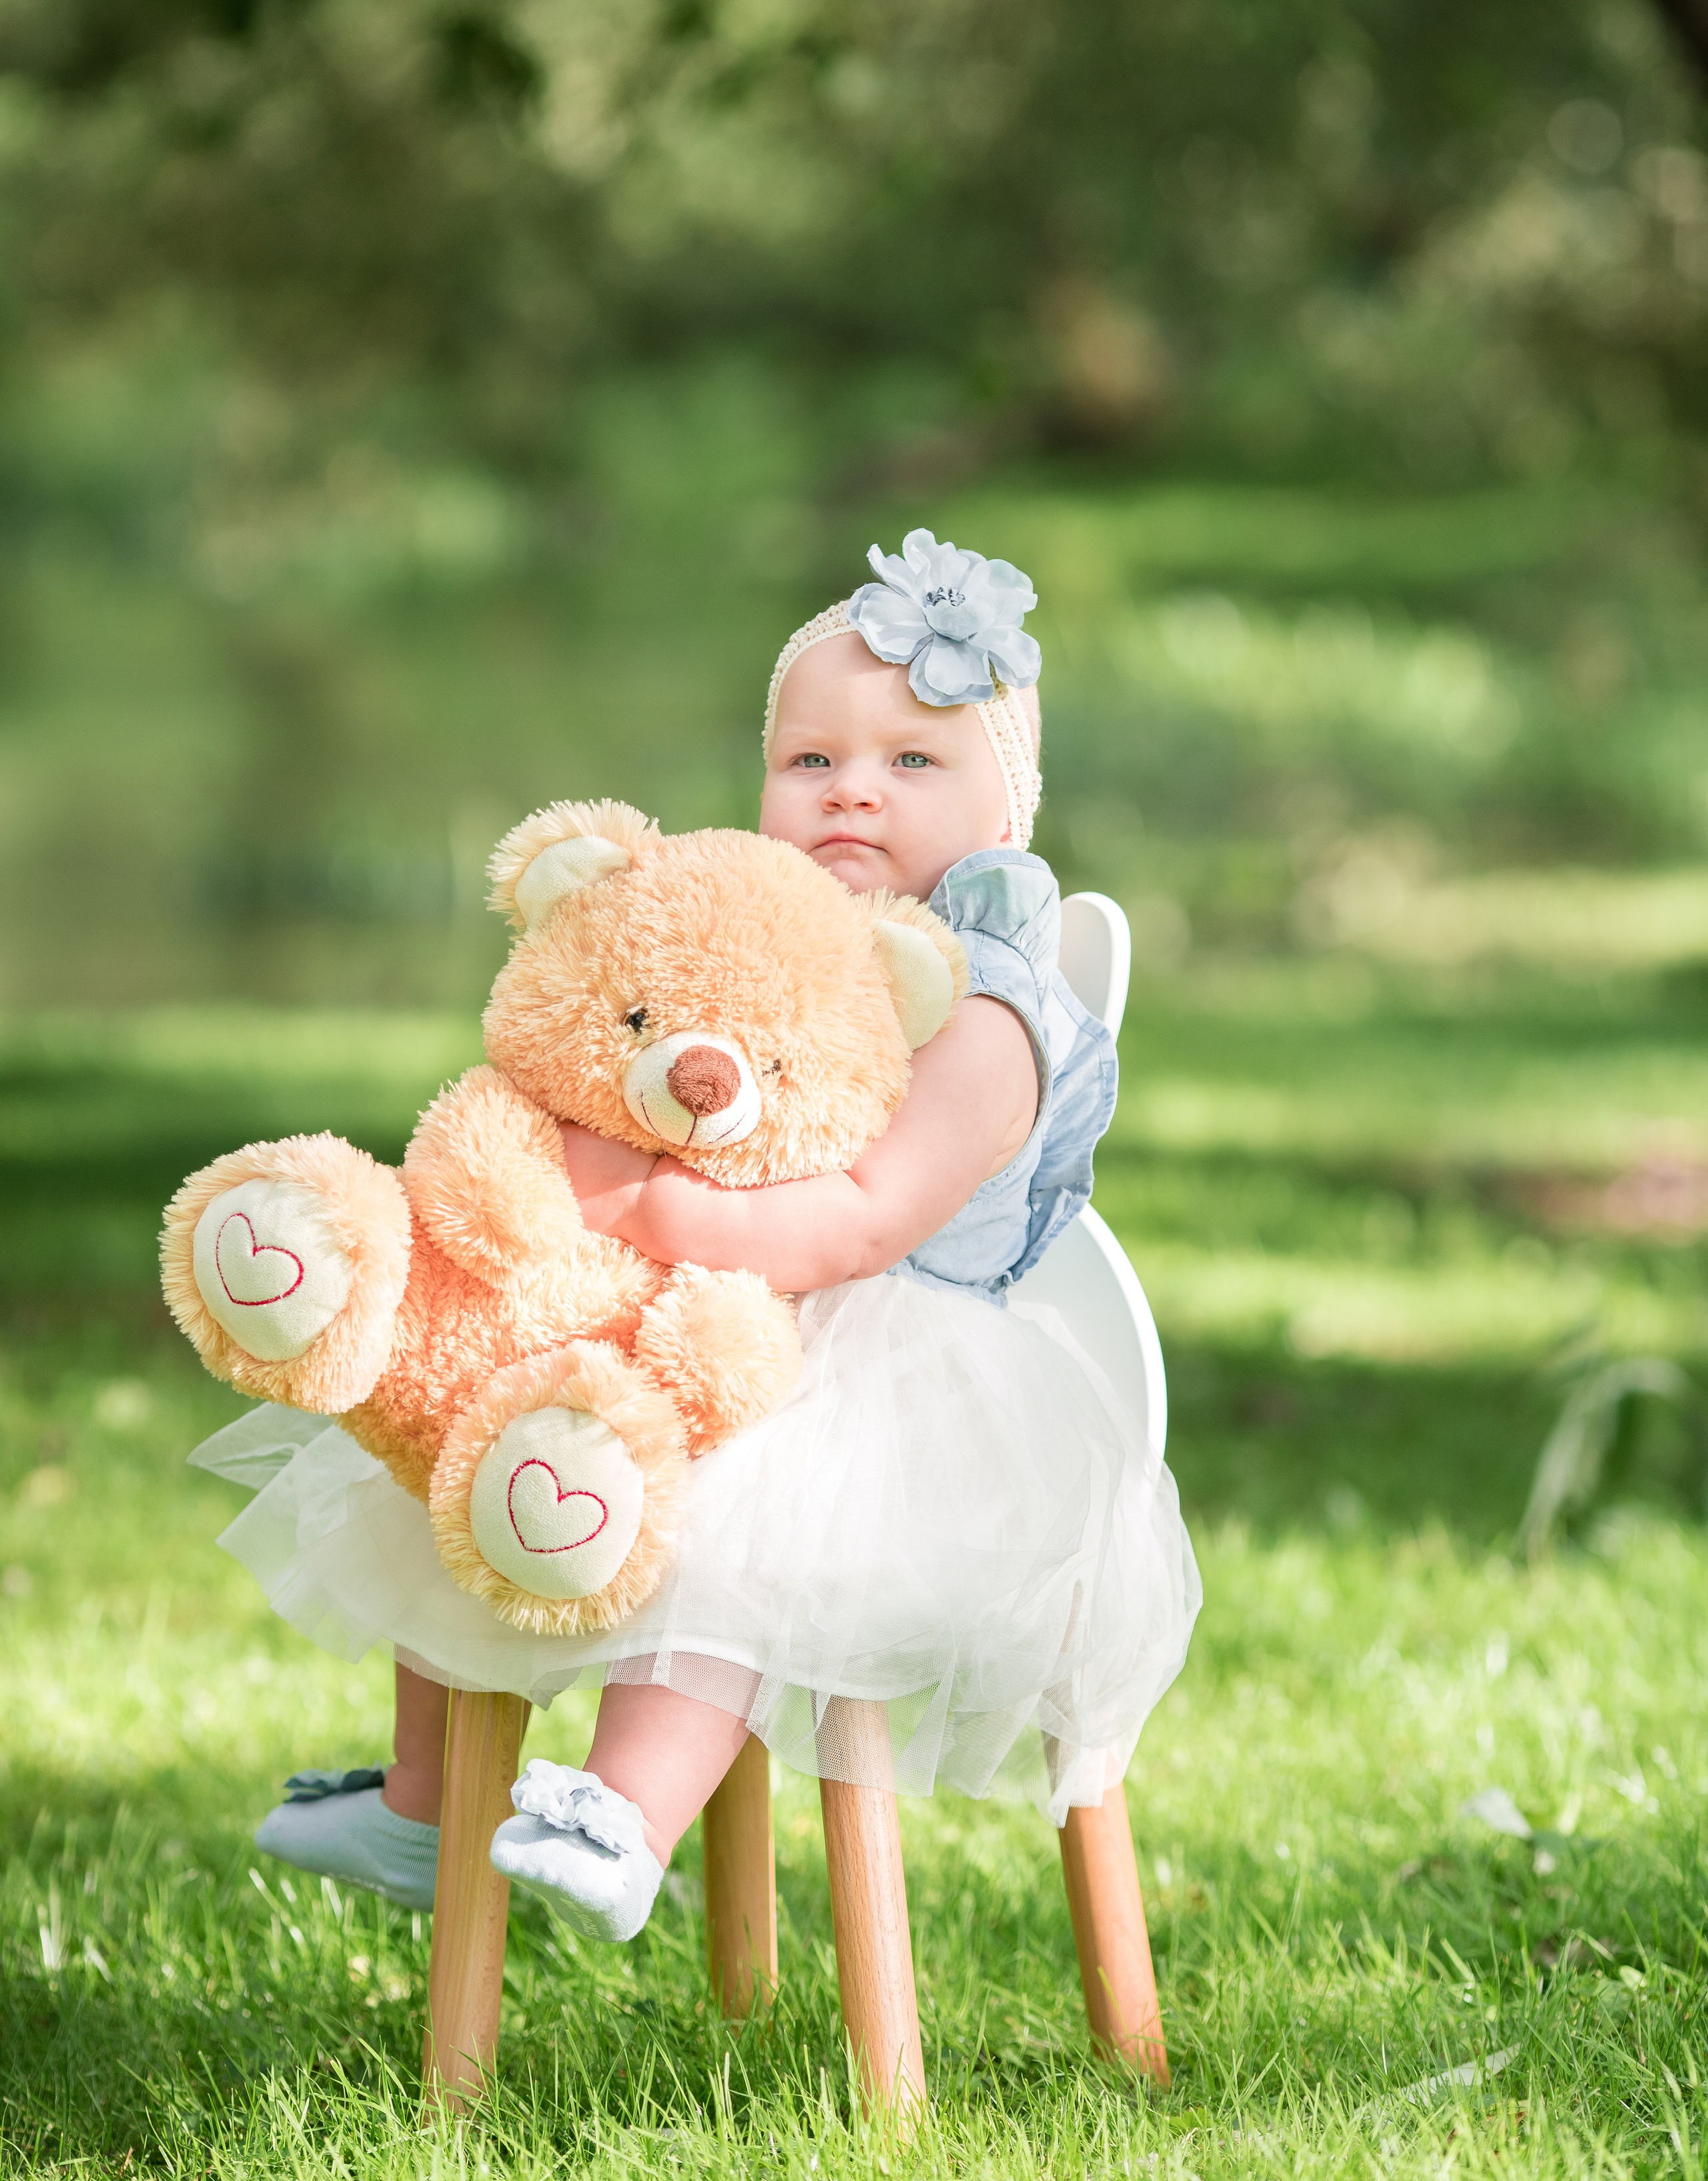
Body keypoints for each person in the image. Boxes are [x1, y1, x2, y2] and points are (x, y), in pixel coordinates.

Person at [194, 530, 1201, 1935]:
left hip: (902, 1371)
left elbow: (860, 1220)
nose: (854, 786)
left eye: (914, 762)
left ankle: (626, 1815)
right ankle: (428, 1801)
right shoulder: (774, 942)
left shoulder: (996, 1005)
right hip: (717, 1308)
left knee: (744, 1508)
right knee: (475, 1396)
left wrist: (647, 1202)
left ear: (1005, 808)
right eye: (812, 761)